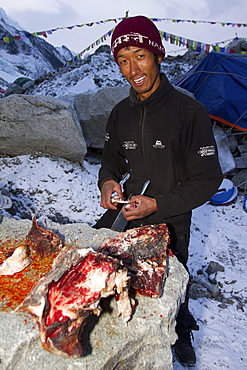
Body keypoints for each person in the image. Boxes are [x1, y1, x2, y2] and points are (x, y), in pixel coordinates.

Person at [93, 15, 223, 365]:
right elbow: (111, 159)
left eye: (140, 55)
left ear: (157, 55)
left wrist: (157, 204)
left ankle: (181, 330)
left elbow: (208, 179)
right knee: (100, 267)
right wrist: (108, 180)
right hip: (126, 211)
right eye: (123, 59)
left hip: (170, 216)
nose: (133, 68)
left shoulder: (189, 111)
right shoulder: (120, 113)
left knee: (169, 283)